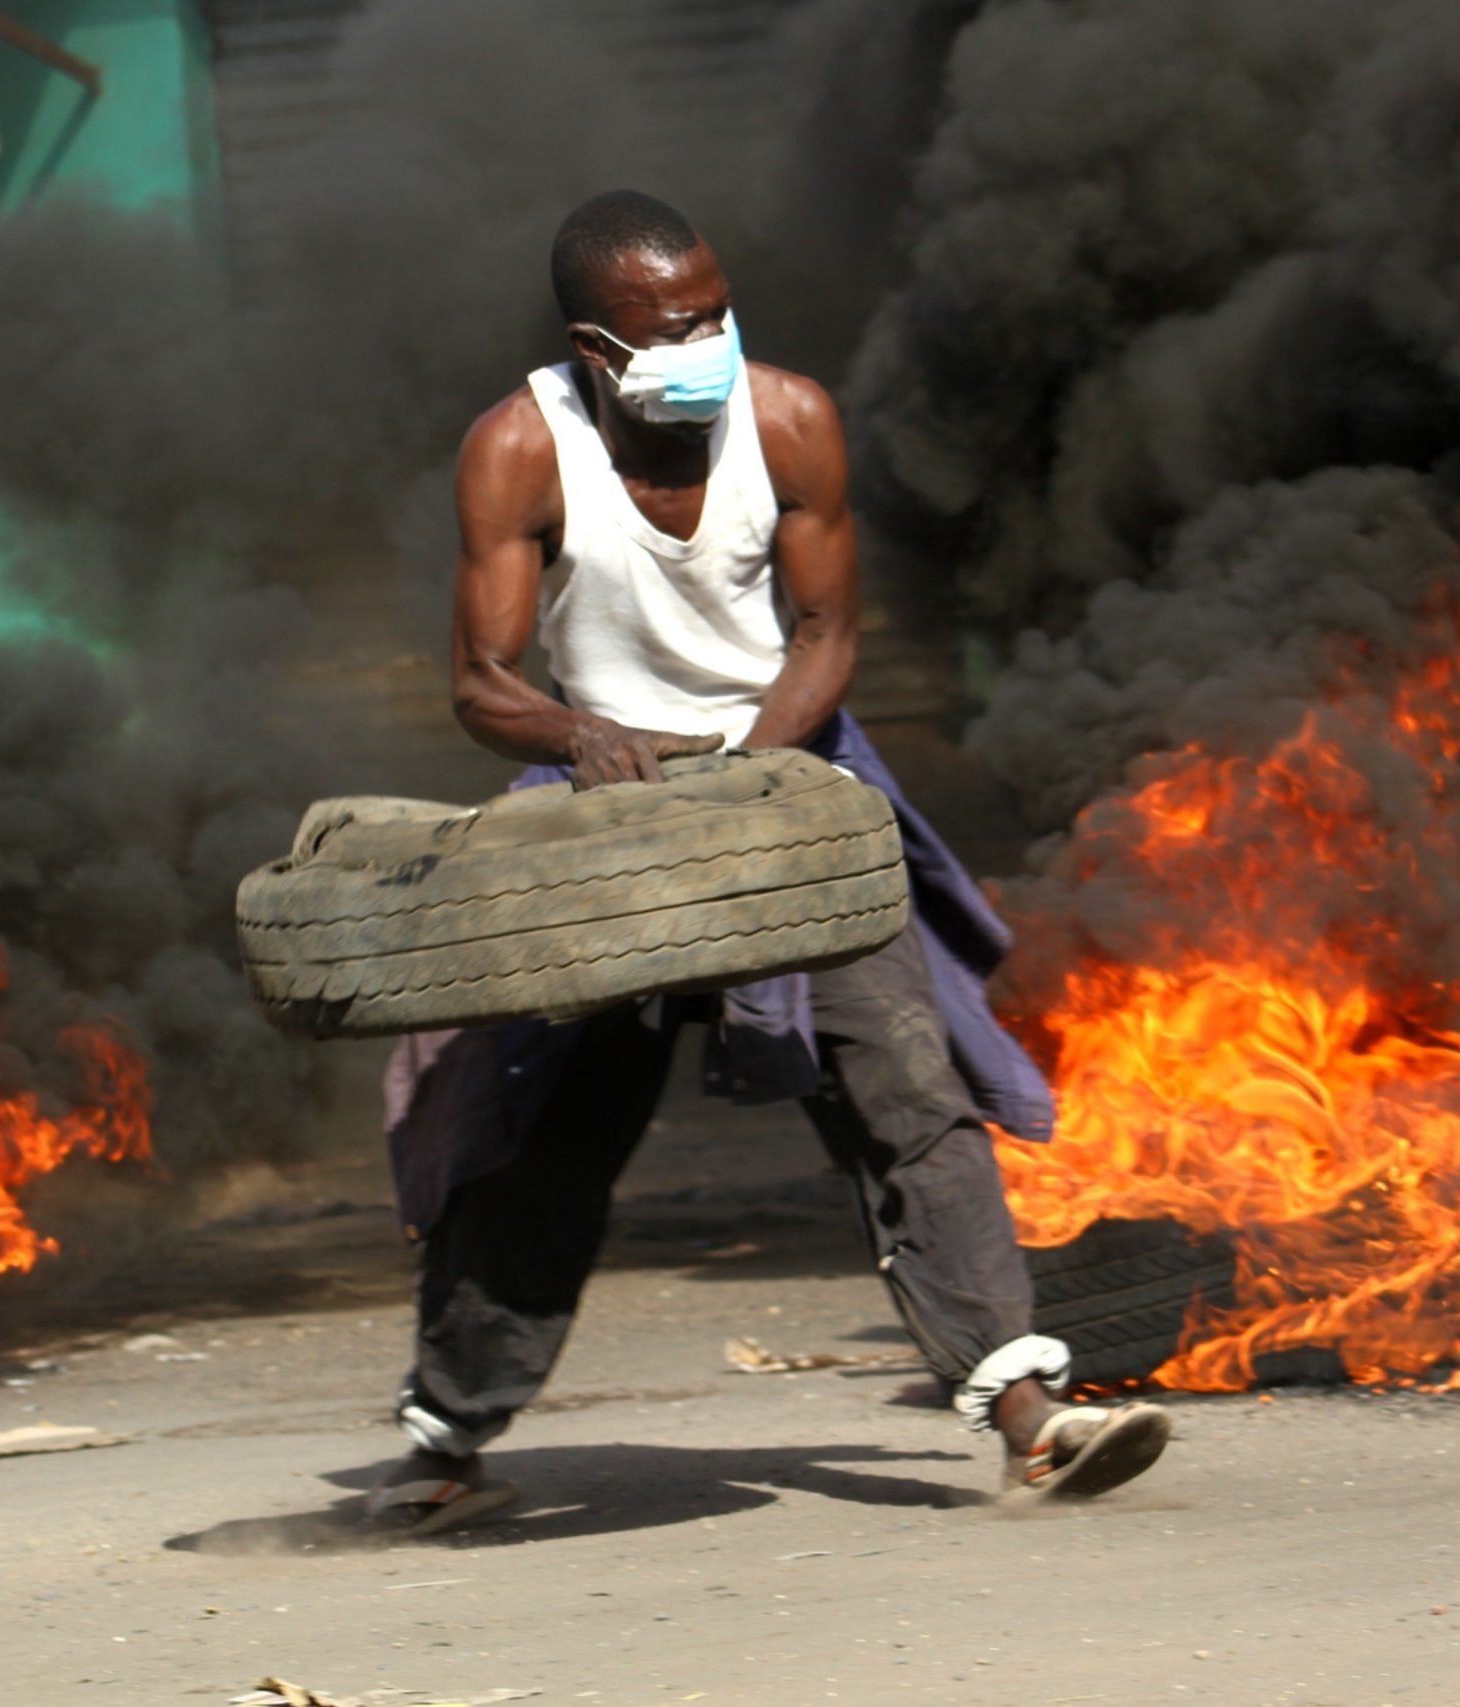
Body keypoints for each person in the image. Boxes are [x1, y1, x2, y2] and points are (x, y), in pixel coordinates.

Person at [371, 191, 1168, 1533]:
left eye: (720, 315)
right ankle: (448, 1440)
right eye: (676, 327)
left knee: (904, 1081)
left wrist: (756, 781)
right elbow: (482, 682)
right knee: (535, 1129)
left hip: (792, 782)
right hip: (608, 811)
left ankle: (1032, 1417)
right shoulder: (519, 451)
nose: (711, 343)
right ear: (596, 343)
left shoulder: (789, 421)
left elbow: (826, 636)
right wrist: (586, 735)